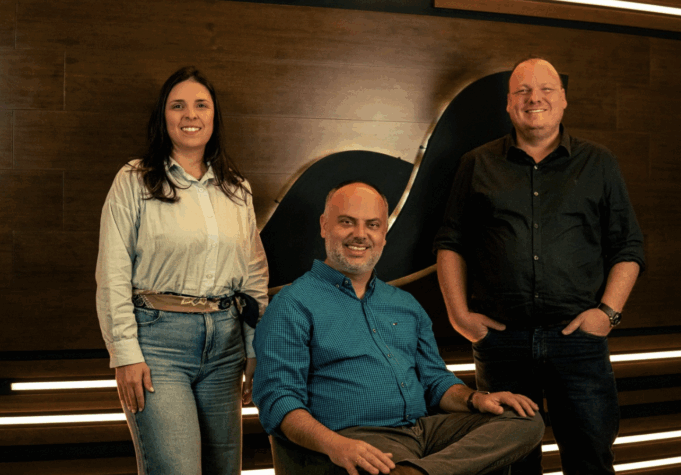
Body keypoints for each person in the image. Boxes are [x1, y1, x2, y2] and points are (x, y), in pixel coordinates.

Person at [434, 58, 645, 475]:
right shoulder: (477, 163)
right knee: (509, 465)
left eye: (546, 89)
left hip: (578, 342)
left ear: (563, 100)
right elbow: (450, 243)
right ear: (509, 103)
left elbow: (628, 246)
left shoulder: (598, 162)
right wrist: (459, 317)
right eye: (523, 91)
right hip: (502, 343)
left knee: (591, 459)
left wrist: (606, 314)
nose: (535, 98)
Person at [253, 181, 545, 475]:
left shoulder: (405, 305)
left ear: (384, 234)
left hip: (425, 433)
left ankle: (415, 473)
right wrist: (337, 445)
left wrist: (476, 399)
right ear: (324, 225)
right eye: (347, 222)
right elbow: (278, 400)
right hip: (357, 440)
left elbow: (435, 381)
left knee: (523, 420)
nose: (360, 234)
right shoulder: (292, 304)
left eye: (373, 225)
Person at [96, 66, 269, 475]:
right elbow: (112, 273)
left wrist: (254, 348)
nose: (190, 114)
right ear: (164, 116)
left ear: (214, 116)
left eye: (201, 105)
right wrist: (125, 354)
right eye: (178, 106)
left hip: (225, 345)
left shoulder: (236, 188)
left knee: (224, 469)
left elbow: (253, 275)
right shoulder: (134, 180)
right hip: (158, 345)